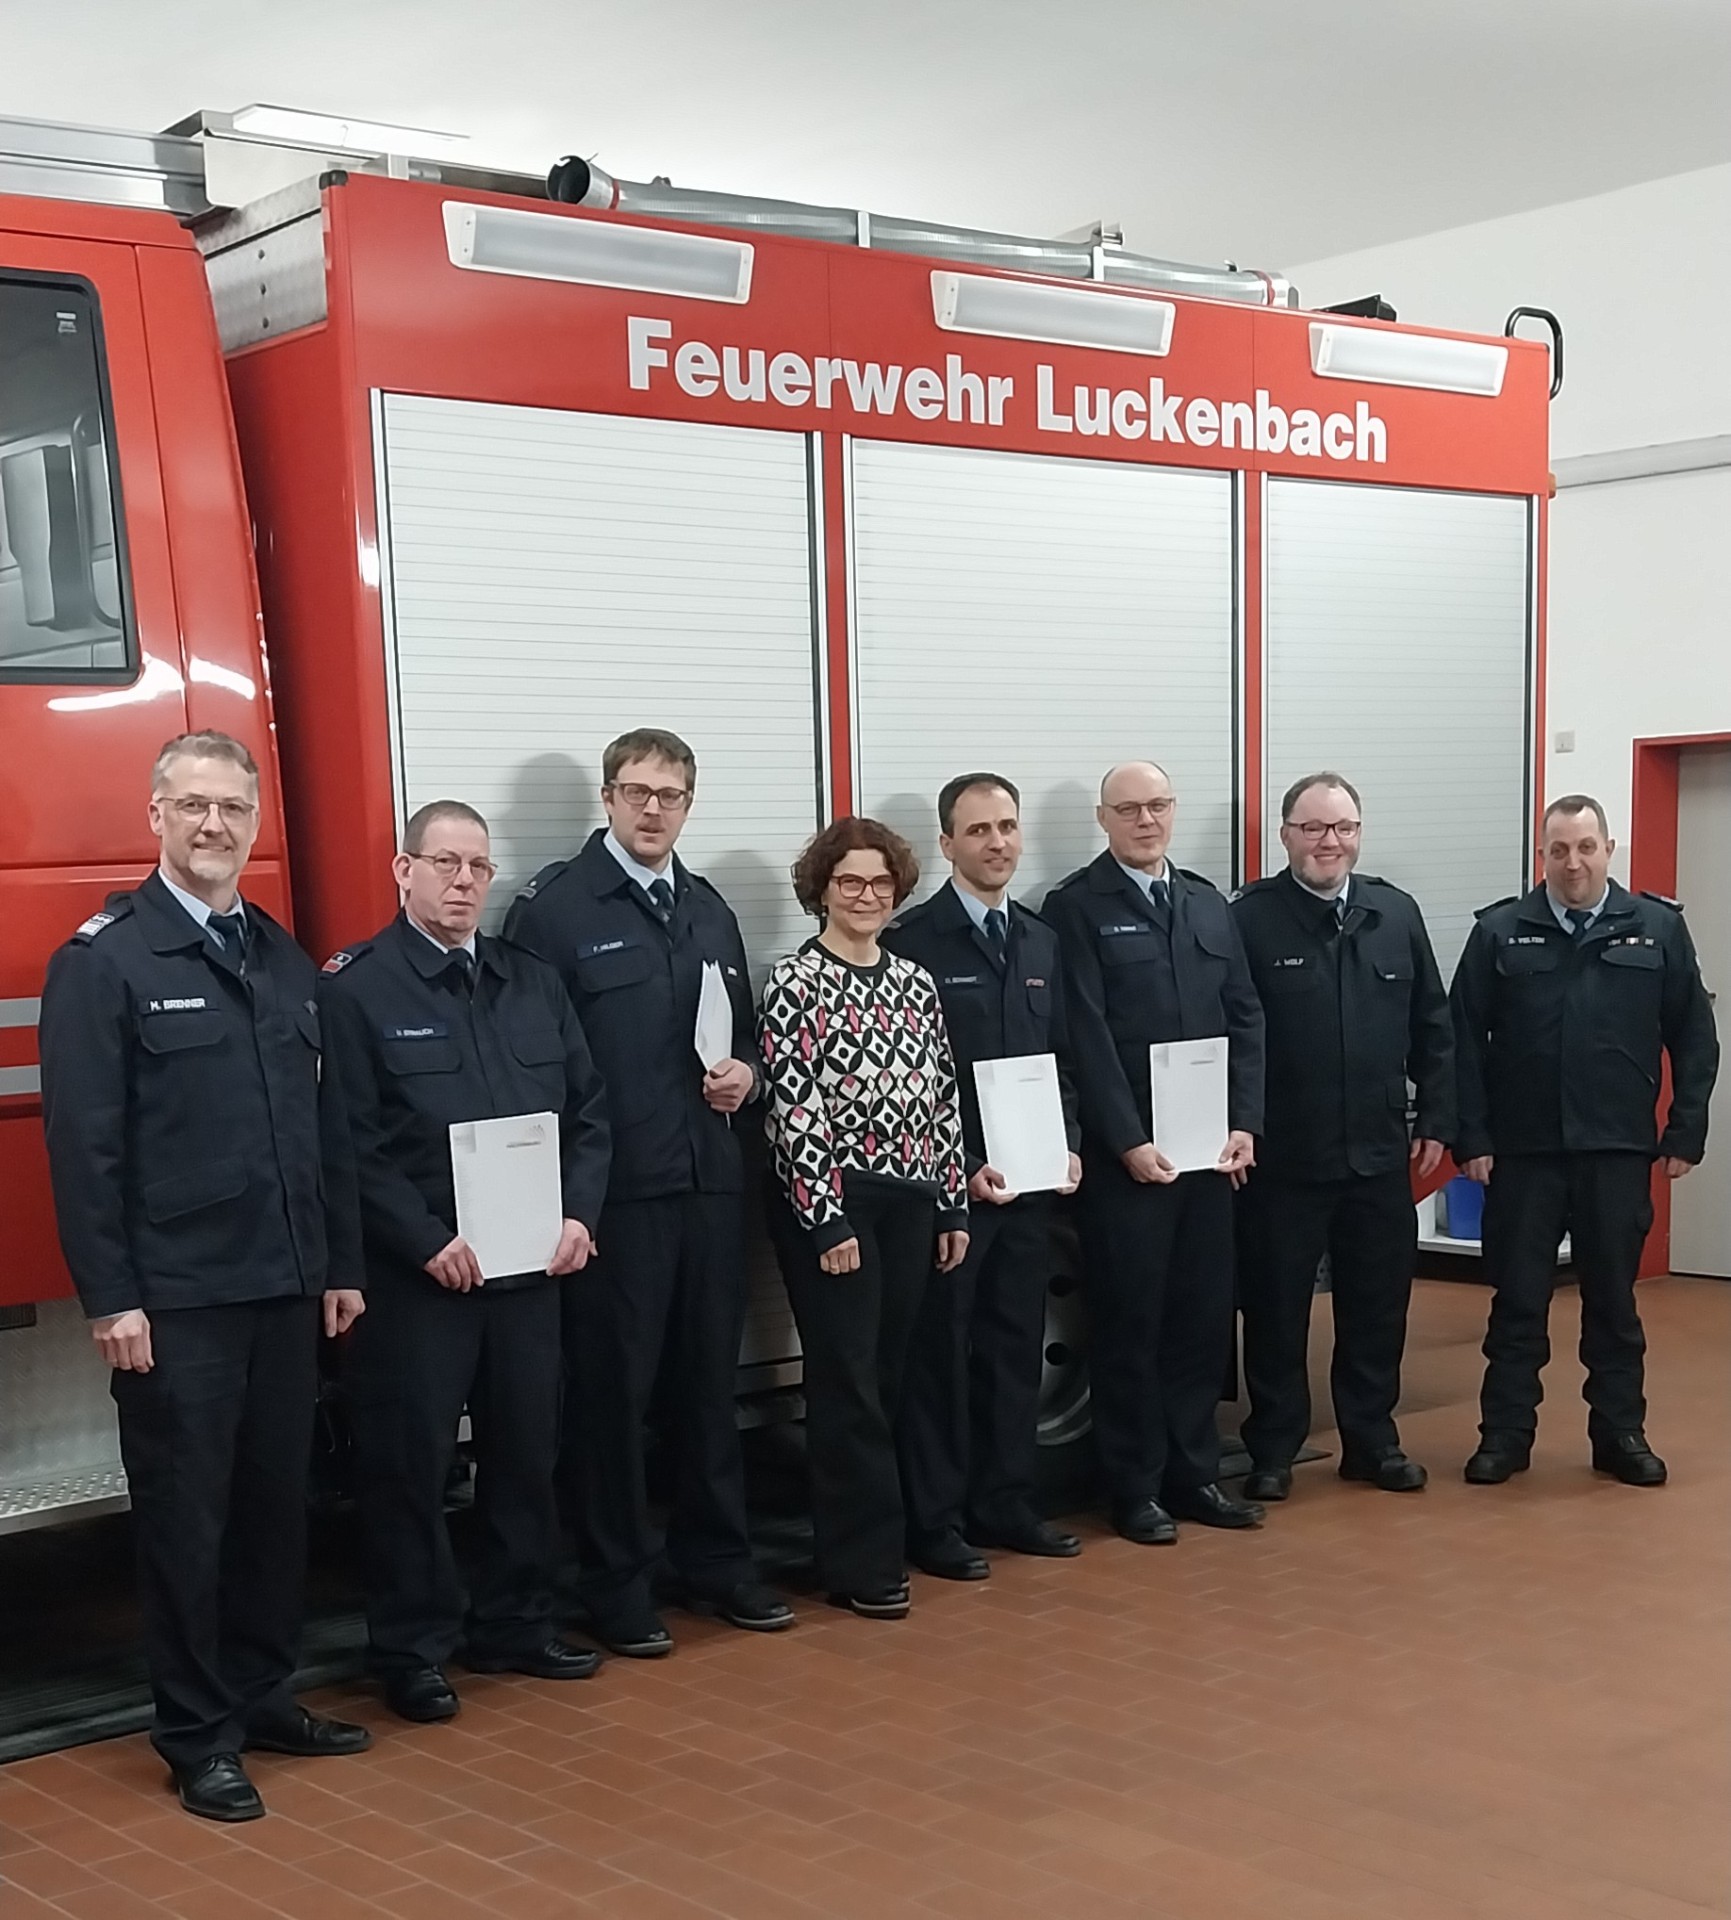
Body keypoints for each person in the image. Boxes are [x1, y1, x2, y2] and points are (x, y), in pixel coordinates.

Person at [37, 730, 369, 1824]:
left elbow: (326, 1132)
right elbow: (85, 1152)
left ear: (254, 819)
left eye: (232, 806)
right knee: (188, 1521)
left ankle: (265, 1692)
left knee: (278, 1509)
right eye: (193, 805)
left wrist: (335, 1267)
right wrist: (113, 1299)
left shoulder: (278, 956)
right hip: (176, 1301)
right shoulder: (104, 962)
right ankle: (195, 1733)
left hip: (281, 1287)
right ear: (156, 817)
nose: (214, 824)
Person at [317, 801, 611, 1722]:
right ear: (403, 870)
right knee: (409, 1468)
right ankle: (412, 1649)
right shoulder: (355, 989)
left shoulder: (531, 981)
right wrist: (423, 1241)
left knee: (528, 1453)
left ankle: (518, 1622)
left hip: (530, 1271)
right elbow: (350, 1143)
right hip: (421, 1282)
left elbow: (589, 1114)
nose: (462, 882)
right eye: (443, 863)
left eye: (478, 867)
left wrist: (577, 1215)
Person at [504, 728, 792, 1653]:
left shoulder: (708, 909)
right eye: (635, 791)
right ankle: (616, 1583)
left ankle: (716, 1563)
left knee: (707, 1386)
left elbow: (742, 1033)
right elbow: (528, 1060)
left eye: (668, 794)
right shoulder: (552, 909)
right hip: (614, 1195)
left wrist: (745, 1073)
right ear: (607, 797)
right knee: (611, 1397)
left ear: (689, 803)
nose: (652, 808)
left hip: (708, 1182)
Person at [1452, 794, 1718, 1486]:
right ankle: (1504, 1437)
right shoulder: (1499, 932)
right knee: (1516, 1303)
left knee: (1612, 1303)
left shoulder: (1656, 929)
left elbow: (1693, 1036)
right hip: (1522, 1152)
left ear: (1608, 850)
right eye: (1558, 849)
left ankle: (1619, 1433)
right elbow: (1459, 1043)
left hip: (1615, 1149)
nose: (1572, 862)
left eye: (1585, 847)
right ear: (1540, 855)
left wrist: (1682, 1129)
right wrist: (1470, 1138)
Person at [1043, 761, 1265, 1543]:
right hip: (1127, 1166)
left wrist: (1245, 1123)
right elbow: (1084, 1036)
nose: (1146, 821)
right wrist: (1125, 1141)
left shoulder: (1207, 902)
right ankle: (1133, 1485)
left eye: (1158, 806)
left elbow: (1244, 1017)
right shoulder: (1075, 908)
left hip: (1209, 1159)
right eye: (1129, 809)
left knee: (1200, 1322)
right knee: (1130, 1326)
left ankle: (1194, 1473)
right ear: (1103, 820)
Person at [759, 817, 970, 1618]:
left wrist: (951, 1202)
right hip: (837, 1207)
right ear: (821, 888)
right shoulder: (793, 982)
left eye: (880, 883)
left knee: (891, 1375)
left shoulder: (914, 982)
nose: (866, 896)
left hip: (914, 1202)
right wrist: (825, 1221)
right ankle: (859, 1562)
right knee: (847, 1383)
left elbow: (943, 1100)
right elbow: (793, 1109)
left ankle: (897, 1537)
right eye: (849, 881)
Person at [1230, 772, 1454, 1501]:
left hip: (1377, 1155)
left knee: (1376, 1305)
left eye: (1343, 828)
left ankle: (1371, 1440)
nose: (1329, 842)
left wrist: (1441, 1122)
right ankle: (1272, 1447)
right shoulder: (1250, 919)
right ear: (1285, 835)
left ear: (1358, 832)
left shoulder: (1394, 913)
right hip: (1284, 1160)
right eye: (1313, 828)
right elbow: (1230, 1032)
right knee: (1275, 1309)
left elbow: (1434, 1028)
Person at [882, 773, 1083, 1575]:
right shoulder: (914, 944)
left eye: (1006, 827)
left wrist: (1065, 1141)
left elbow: (1059, 1059)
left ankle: (1007, 1503)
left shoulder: (1038, 941)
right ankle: (936, 1521)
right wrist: (957, 1169)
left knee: (1011, 1349)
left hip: (1030, 1189)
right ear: (946, 845)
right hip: (953, 1196)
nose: (996, 843)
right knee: (940, 1357)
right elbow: (912, 1082)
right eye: (977, 831)